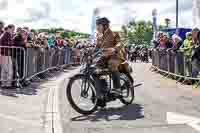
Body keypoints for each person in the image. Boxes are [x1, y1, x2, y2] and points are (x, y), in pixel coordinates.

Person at [94, 17, 126, 103]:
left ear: (104, 25)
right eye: (96, 26)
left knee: (112, 64)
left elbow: (120, 43)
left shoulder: (114, 33)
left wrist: (114, 49)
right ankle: (102, 93)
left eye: (98, 25)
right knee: (94, 69)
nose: (97, 28)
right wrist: (88, 52)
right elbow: (96, 49)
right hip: (103, 59)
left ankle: (117, 88)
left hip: (115, 57)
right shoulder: (99, 36)